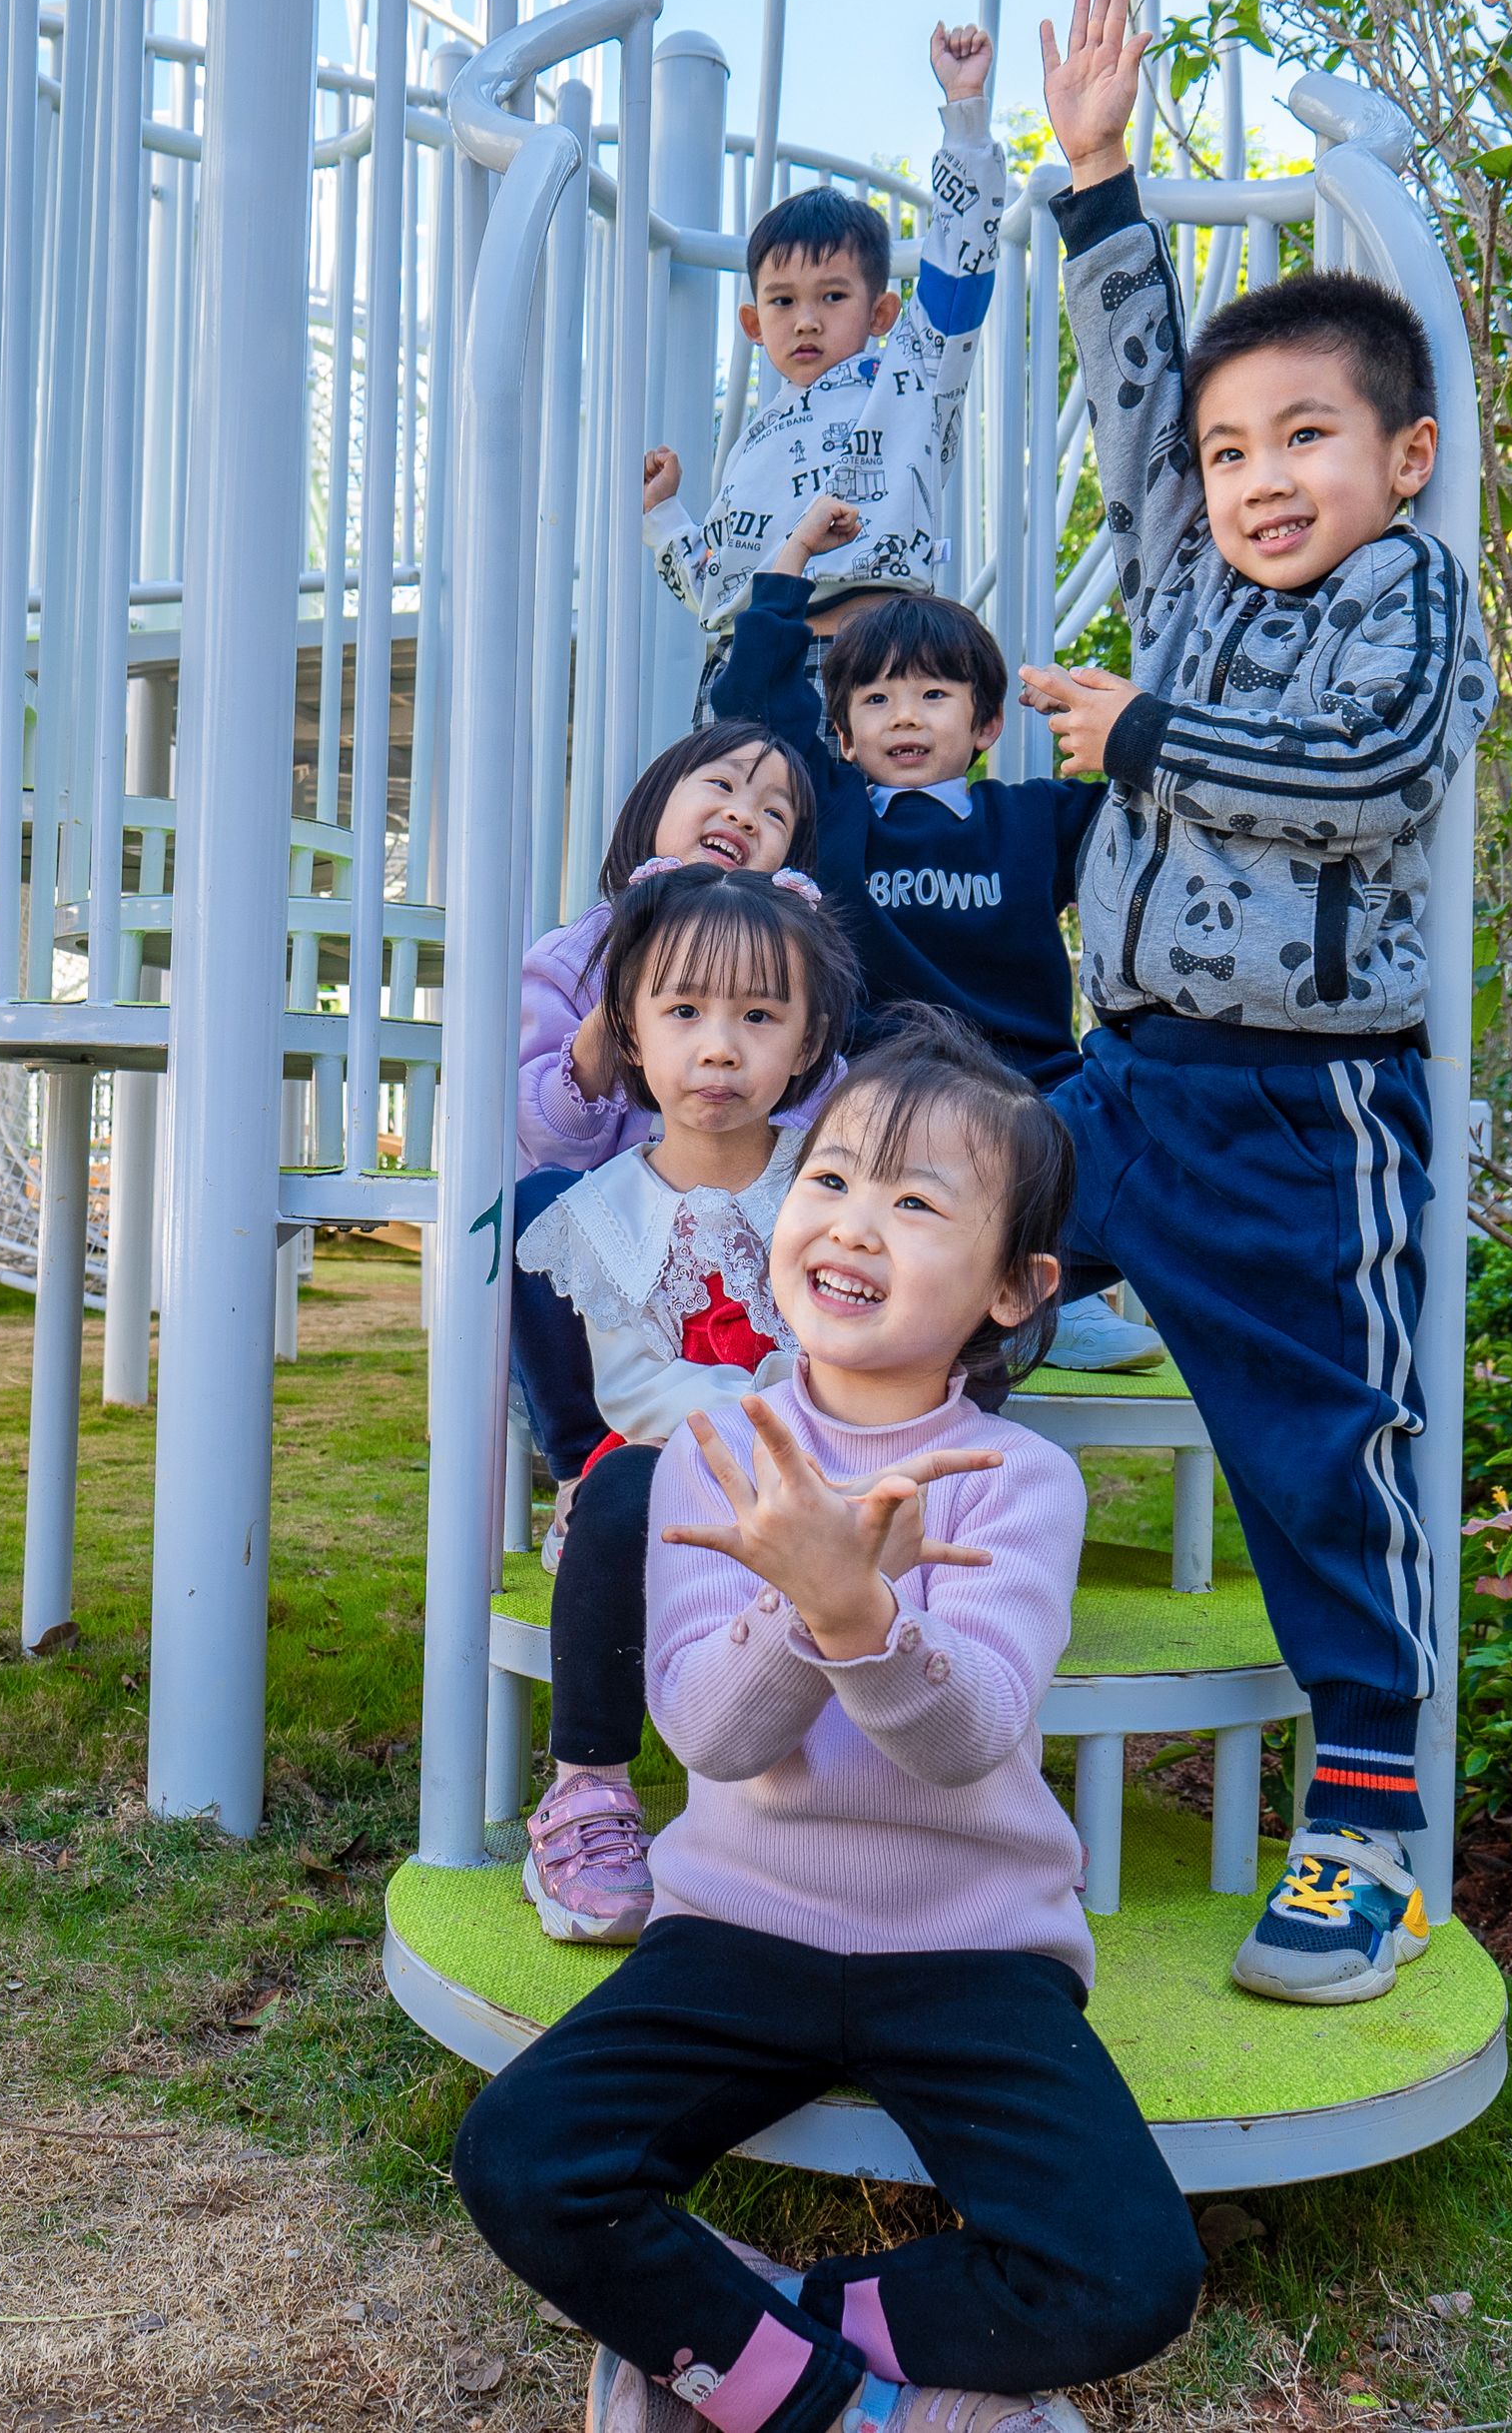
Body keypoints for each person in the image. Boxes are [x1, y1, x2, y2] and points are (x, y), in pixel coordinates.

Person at [454, 1015, 1199, 2433]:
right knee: (524, 2156)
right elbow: (712, 1734)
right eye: (833, 1177)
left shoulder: (1016, 1477)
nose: (855, 1223)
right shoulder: (713, 1455)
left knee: (1131, 2270)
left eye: (919, 1202)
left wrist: (863, 1613)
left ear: (1013, 1285)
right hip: (740, 1927)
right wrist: (809, 1601)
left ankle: (750, 2323)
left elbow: (967, 1731)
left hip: (969, 1941)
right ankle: (837, 2410)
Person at [1015, 0, 1497, 2007]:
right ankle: (858, 1695)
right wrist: (1097, 181)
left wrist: (1135, 745)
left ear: (1400, 455)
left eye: (1302, 436)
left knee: (1315, 1455)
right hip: (1121, 1084)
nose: (1251, 476)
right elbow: (1130, 411)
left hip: (1306, 1122)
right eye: (1232, 449)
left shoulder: (1410, 601)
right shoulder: (1192, 584)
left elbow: (1362, 784)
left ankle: (1366, 1823)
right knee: (908, 1269)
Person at [705, 495, 1165, 1374]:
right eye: (876, 699)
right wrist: (795, 554)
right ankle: (937, 1311)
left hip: (1026, 1080)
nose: (905, 716)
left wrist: (1120, 729)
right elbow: (756, 702)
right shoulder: (831, 812)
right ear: (841, 733)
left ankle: (1048, 1298)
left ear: (986, 723)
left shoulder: (1034, 820)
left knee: (1115, 1141)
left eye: (933, 695)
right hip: (877, 1081)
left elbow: (1146, 814)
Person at [509, 864, 859, 1947]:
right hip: (656, 1472)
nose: (719, 1047)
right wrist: (579, 1469)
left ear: (804, 1044)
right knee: (617, 1500)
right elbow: (560, 1359)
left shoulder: (832, 1183)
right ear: (629, 1031)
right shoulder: (587, 1211)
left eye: (759, 1016)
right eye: (684, 1012)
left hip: (814, 1452)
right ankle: (586, 1792)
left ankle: (855, 1813)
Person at [508, 723, 826, 1482]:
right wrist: (625, 986)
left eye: (774, 813)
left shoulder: (786, 959)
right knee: (537, 1209)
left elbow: (828, 1111)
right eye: (721, 786)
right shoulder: (575, 956)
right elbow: (545, 1131)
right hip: (621, 1239)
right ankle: (586, 1457)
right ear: (654, 806)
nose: (746, 815)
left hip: (741, 1235)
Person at [641, 25, 1009, 661]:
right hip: (746, 669)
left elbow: (960, 268)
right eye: (783, 301)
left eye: (833, 297)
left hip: (865, 666)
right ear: (754, 326)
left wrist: (965, 117)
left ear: (882, 313)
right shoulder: (754, 449)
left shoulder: (907, 383)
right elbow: (715, 587)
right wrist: (664, 515)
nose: (805, 320)